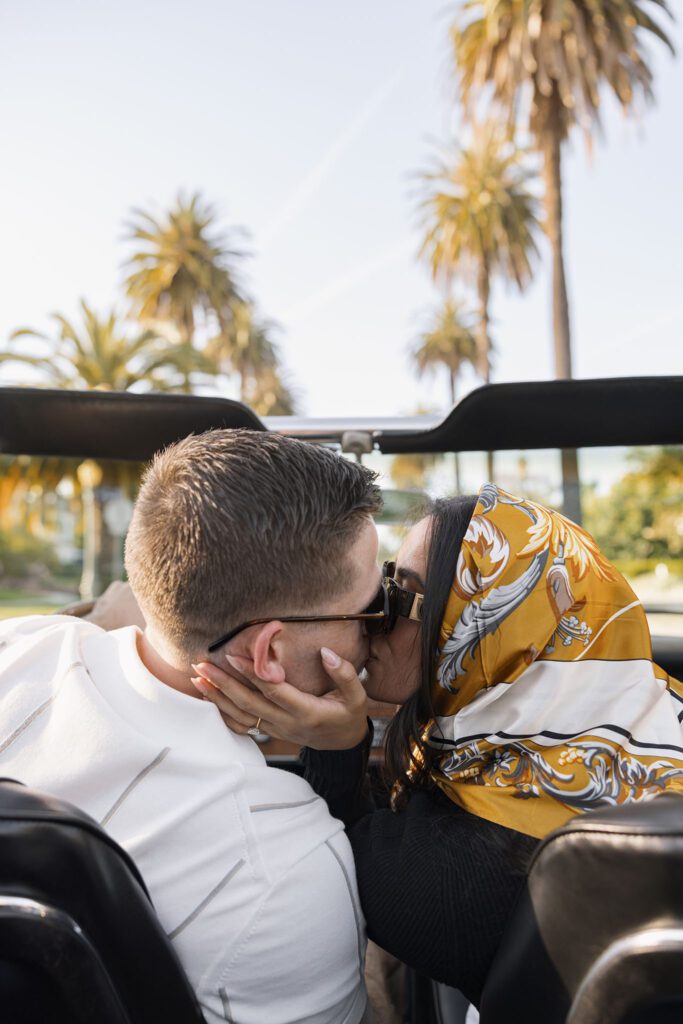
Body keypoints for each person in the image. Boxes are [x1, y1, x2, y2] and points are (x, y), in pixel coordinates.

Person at [194, 482, 683, 1008]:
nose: (375, 616)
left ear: (482, 629)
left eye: (400, 596)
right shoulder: (658, 715)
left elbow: (332, 848)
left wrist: (338, 742)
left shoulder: (447, 880)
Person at [0, 428, 392, 1024]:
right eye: (370, 609)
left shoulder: (22, 647)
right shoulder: (286, 870)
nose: (376, 629)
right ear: (268, 655)